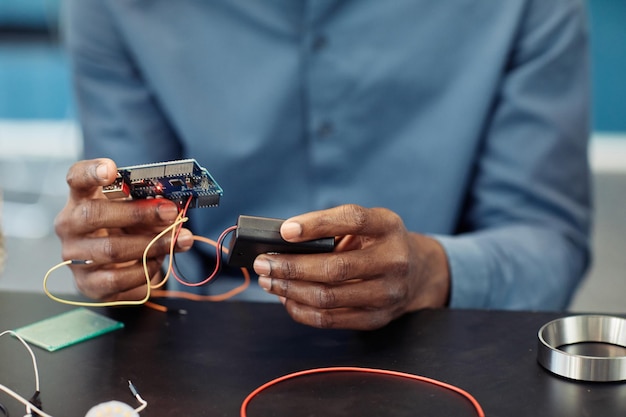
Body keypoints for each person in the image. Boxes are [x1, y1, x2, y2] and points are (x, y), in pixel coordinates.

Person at [56, 0, 592, 330]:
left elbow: (549, 243)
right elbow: (139, 225)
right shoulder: (114, 8)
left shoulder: (528, 6)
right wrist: (121, 264)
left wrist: (433, 271)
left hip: (445, 343)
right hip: (203, 344)